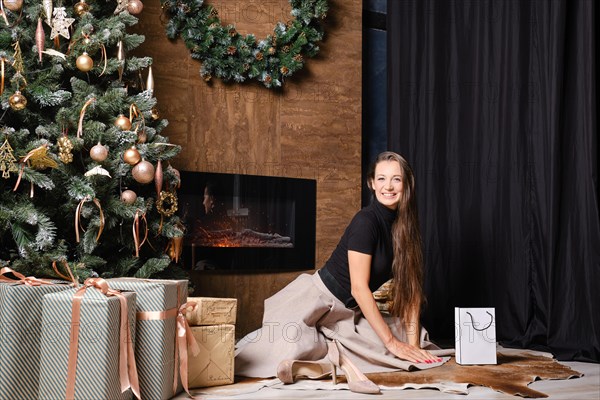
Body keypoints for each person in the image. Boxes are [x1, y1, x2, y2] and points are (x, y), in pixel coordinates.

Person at [235, 152, 451, 394]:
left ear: (407, 184)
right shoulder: (365, 221)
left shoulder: (407, 229)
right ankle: (308, 358)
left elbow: (411, 293)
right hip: (314, 301)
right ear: (371, 183)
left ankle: (327, 357)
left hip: (347, 314)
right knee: (280, 350)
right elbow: (359, 288)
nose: (388, 186)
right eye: (381, 179)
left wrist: (411, 349)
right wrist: (392, 343)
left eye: (396, 180)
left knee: (415, 336)